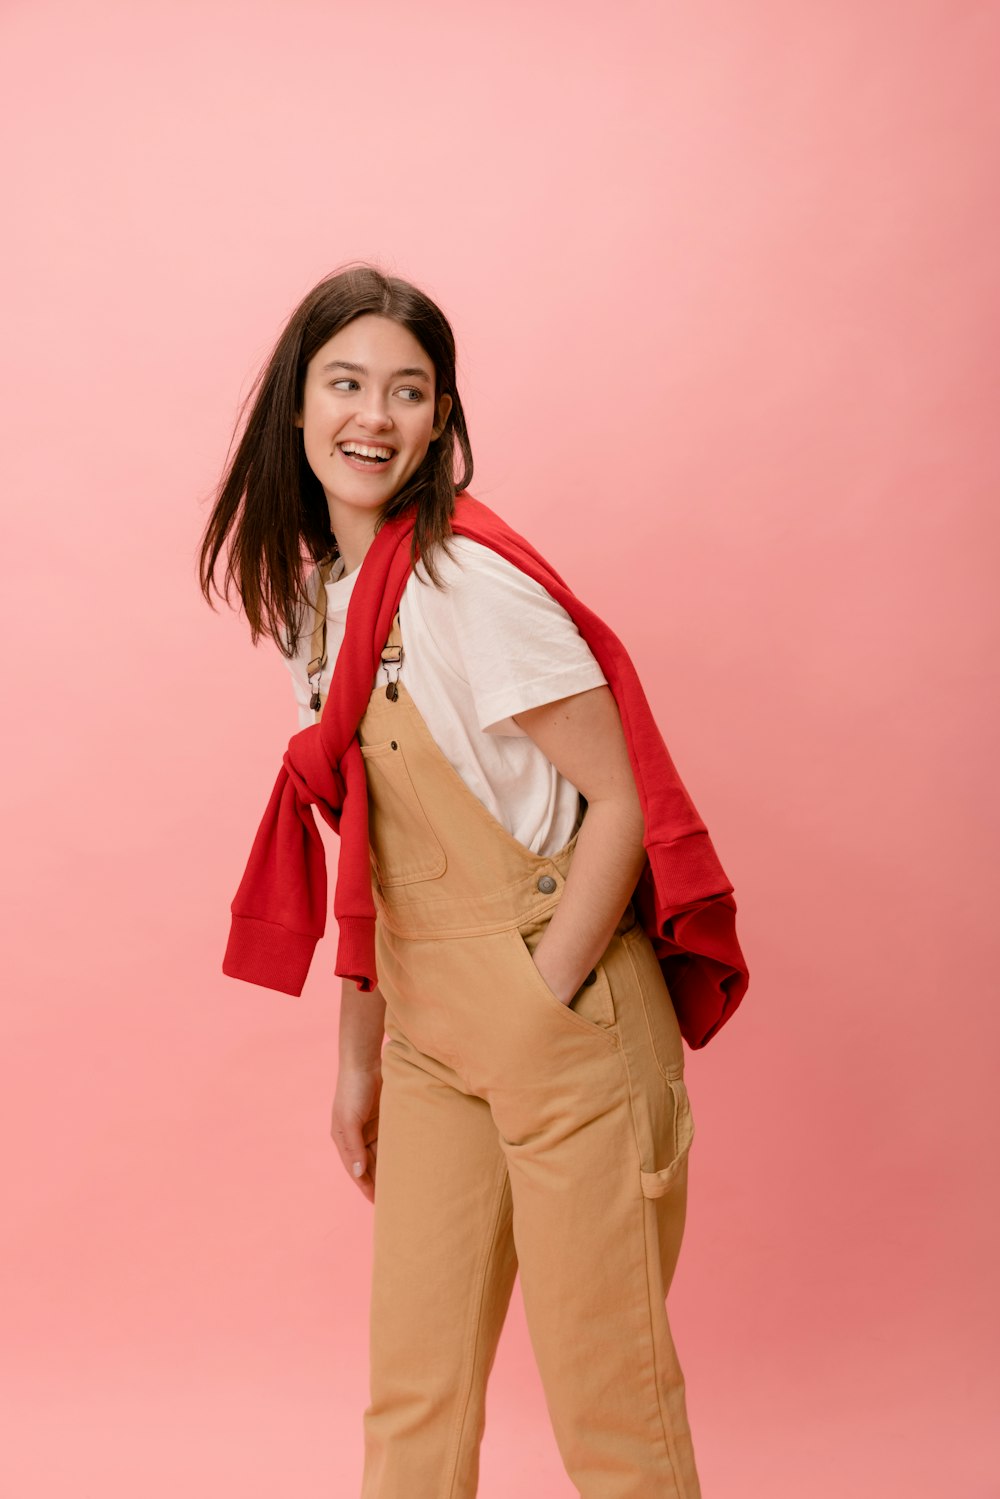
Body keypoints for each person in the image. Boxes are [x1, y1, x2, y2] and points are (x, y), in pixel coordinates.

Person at [198, 262, 748, 1499]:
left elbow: (622, 800)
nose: (373, 416)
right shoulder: (322, 608)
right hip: (428, 1030)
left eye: (407, 390)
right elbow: (380, 862)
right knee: (416, 1394)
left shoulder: (463, 581)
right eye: (346, 383)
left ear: (441, 419)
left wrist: (536, 988)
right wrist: (359, 1056)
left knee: (609, 1399)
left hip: (561, 1021)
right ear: (297, 404)